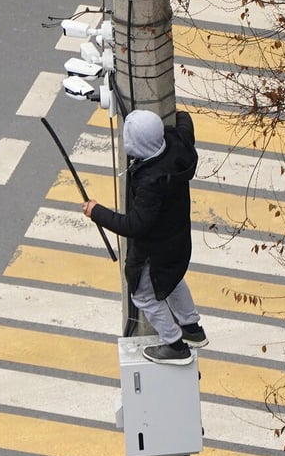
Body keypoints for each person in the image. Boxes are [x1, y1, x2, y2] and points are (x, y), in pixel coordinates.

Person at [82, 109, 207, 365]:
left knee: (143, 296)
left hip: (156, 250)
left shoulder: (152, 182)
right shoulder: (178, 144)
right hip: (178, 242)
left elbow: (134, 225)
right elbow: (185, 122)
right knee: (171, 280)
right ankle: (192, 328)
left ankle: (175, 345)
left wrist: (98, 212)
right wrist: (177, 114)